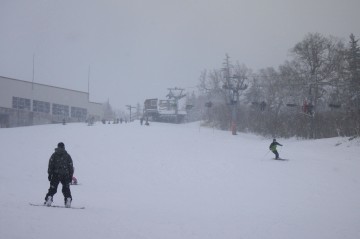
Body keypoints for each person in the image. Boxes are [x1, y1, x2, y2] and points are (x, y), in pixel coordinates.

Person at [44, 142, 74, 207]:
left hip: (56, 174)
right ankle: (68, 200)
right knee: (66, 188)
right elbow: (70, 166)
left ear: (58, 147)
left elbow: (50, 164)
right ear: (64, 147)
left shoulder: (54, 155)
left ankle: (49, 198)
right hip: (65, 174)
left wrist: (49, 174)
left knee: (53, 188)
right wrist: (70, 175)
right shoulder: (67, 155)